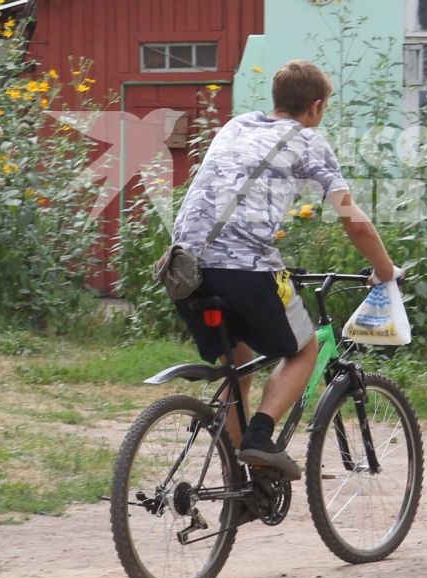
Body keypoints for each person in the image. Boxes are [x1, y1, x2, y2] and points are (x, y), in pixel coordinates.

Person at [168, 60, 396, 479]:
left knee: (238, 362)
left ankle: (241, 483)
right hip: (246, 269)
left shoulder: (236, 126)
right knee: (304, 350)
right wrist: (385, 270)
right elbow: (354, 220)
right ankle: (259, 436)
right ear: (316, 106)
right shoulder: (309, 140)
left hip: (183, 269)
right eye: (323, 109)